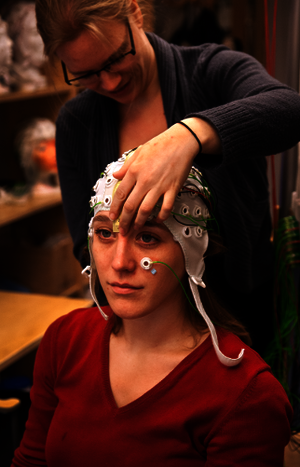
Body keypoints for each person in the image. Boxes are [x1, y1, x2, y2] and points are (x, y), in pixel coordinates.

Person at [35, 0, 300, 355]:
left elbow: (289, 109)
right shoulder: (76, 124)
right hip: (142, 336)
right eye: (86, 74)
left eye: (116, 58)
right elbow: (87, 243)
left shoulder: (212, 72)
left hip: (241, 321)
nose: (110, 82)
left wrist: (189, 136)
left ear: (136, 14)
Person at [11, 155, 292, 466]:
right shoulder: (65, 339)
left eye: (148, 237)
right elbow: (31, 459)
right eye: (105, 233)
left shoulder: (246, 394)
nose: (119, 263)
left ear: (193, 252)